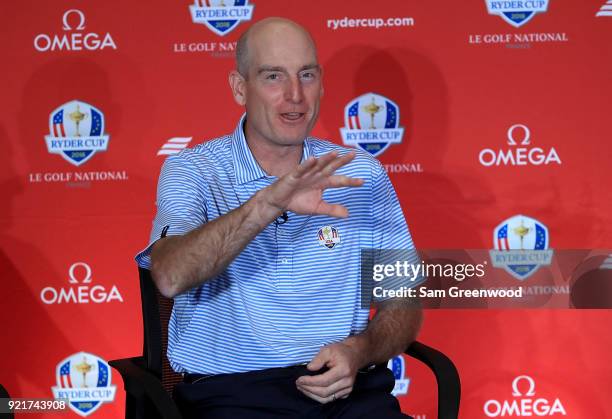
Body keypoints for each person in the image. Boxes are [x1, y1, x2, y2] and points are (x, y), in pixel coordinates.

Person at [136, 17, 424, 419]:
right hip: (236, 395)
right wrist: (269, 203)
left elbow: (403, 299)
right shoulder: (194, 170)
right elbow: (169, 276)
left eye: (306, 75)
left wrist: (360, 350)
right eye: (273, 77)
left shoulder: (362, 172)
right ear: (240, 88)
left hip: (349, 390)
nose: (295, 96)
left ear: (321, 82)